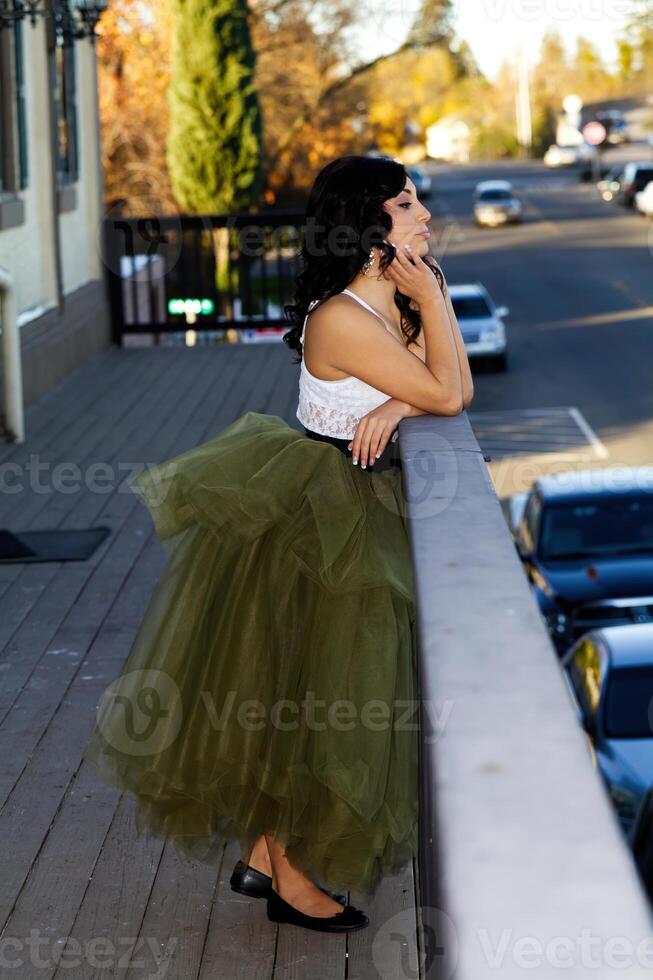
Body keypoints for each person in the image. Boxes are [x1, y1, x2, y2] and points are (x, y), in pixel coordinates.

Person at [82, 154, 473, 935]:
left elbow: (447, 383)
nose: (423, 214)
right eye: (405, 203)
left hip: (354, 506)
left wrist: (398, 397)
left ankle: (266, 856)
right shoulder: (340, 316)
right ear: (367, 224)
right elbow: (449, 391)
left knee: (309, 699)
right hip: (316, 521)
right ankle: (290, 879)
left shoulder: (393, 294)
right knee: (316, 707)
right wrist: (424, 329)